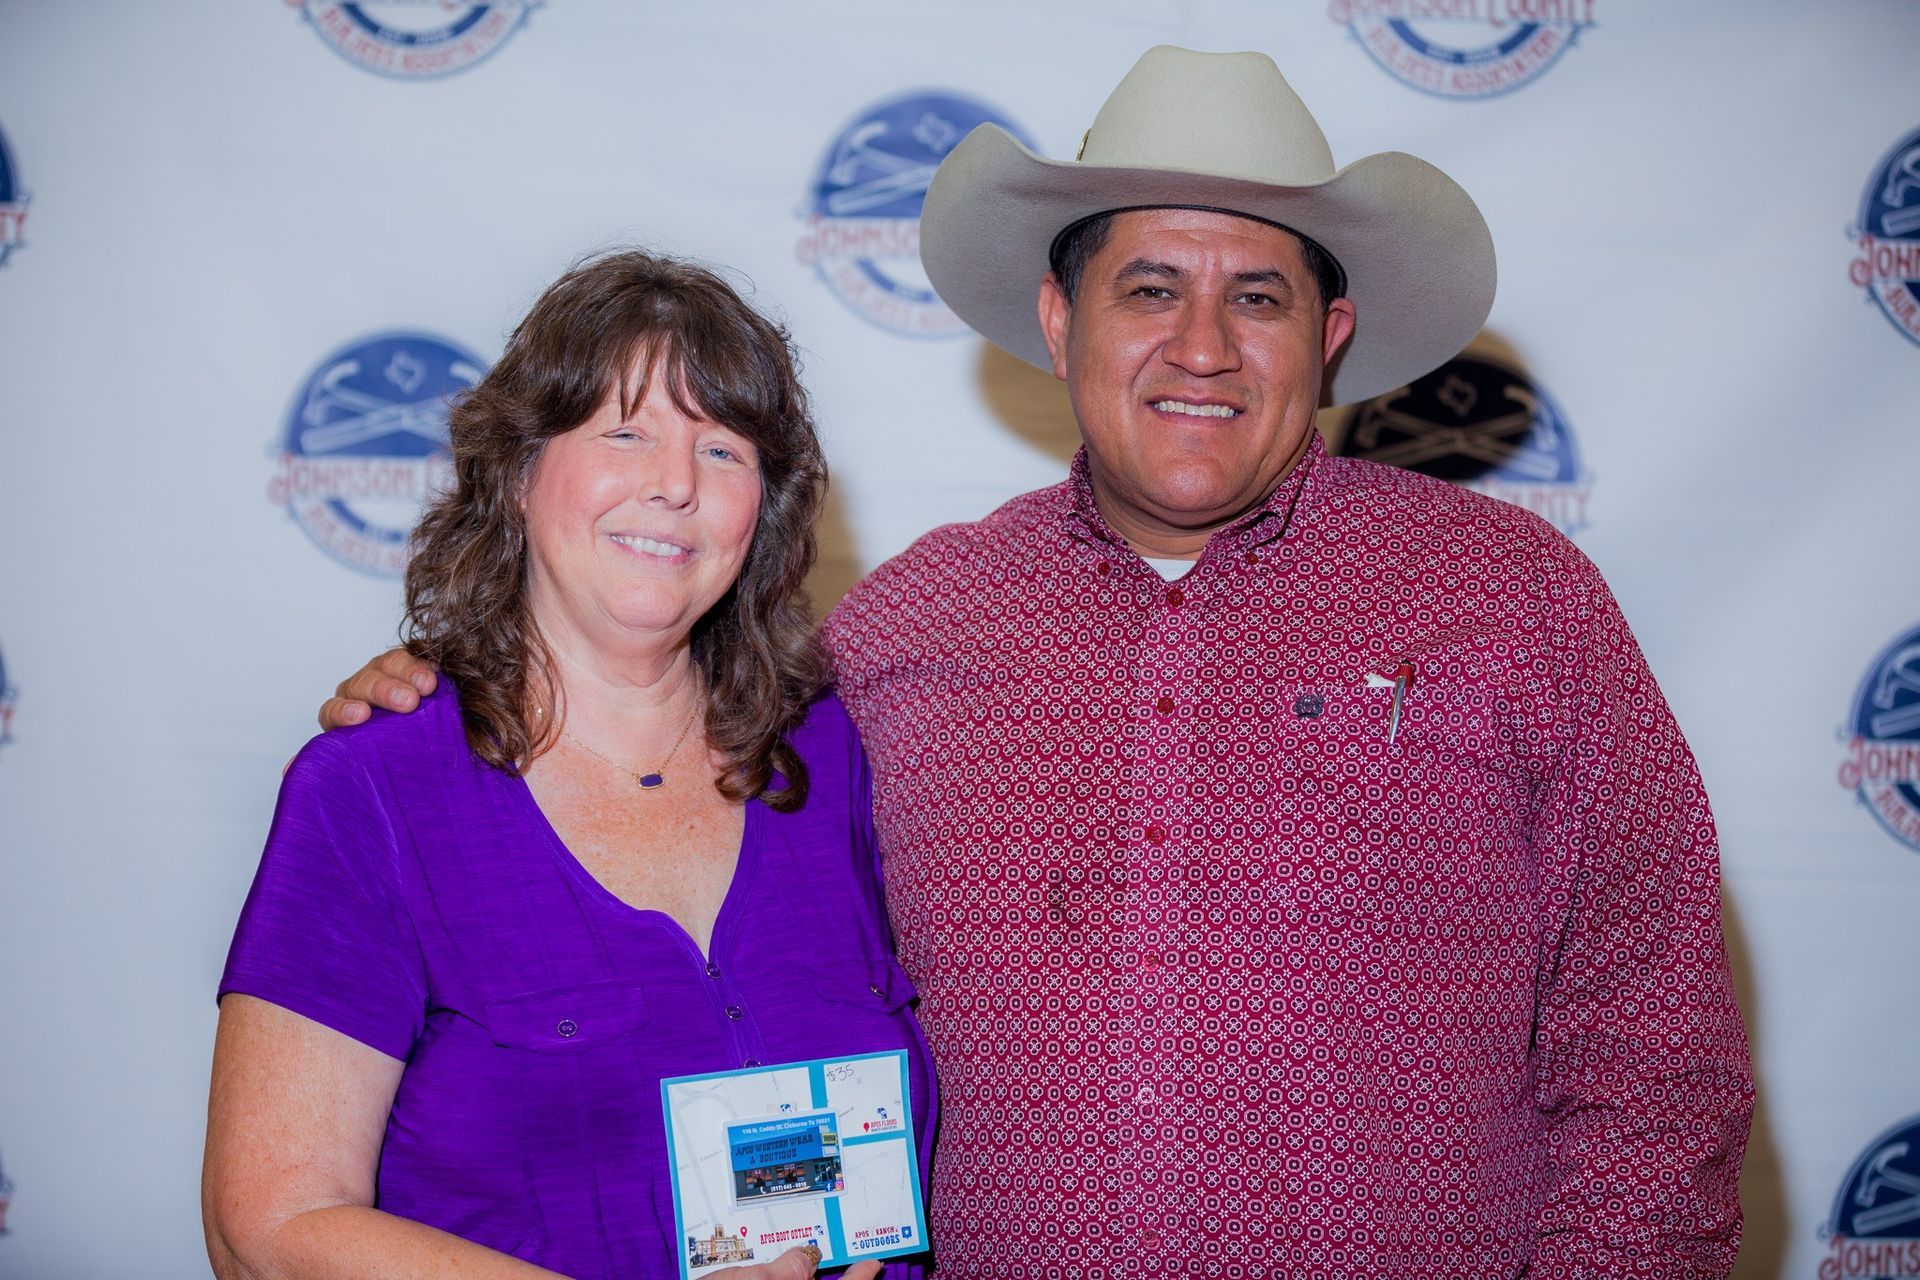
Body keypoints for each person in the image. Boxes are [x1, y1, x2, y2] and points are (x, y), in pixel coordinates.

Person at [320, 48, 1754, 1279]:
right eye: (1147, 287)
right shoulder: (901, 631)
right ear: (1062, 323)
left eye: (1257, 296)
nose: (1201, 346)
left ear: (1331, 336)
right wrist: (473, 683)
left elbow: (1660, 1055)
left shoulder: (1521, 605)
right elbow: (668, 744)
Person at [204, 251, 931, 1280]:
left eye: (721, 449)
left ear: (762, 509)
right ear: (516, 470)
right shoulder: (374, 788)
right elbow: (268, 1230)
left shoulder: (831, 756)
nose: (675, 484)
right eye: (624, 431)